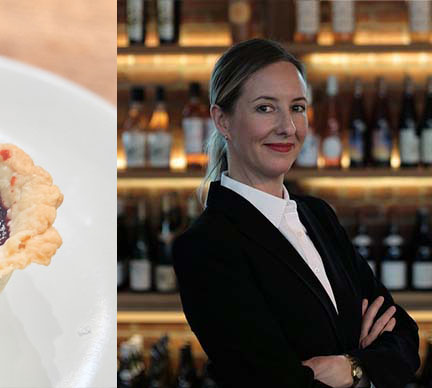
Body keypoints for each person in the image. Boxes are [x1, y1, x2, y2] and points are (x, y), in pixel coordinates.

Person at [173, 39, 419, 388]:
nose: (288, 127)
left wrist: (350, 368)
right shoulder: (206, 245)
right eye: (265, 108)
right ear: (222, 120)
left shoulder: (319, 215)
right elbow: (272, 381)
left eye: (298, 108)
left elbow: (406, 336)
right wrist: (368, 360)